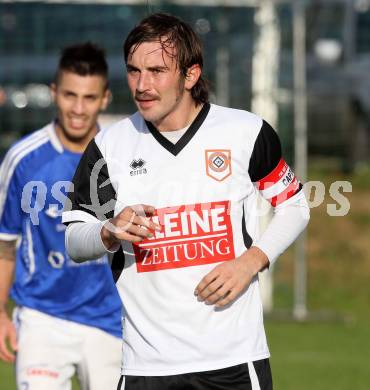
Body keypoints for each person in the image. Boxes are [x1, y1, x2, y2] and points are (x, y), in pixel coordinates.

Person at [63, 14, 310, 390]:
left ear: (190, 75)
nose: (142, 85)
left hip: (234, 362)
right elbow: (74, 242)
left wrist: (251, 262)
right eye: (133, 71)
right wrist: (109, 232)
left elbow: (295, 206)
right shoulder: (109, 147)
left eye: (157, 70)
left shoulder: (245, 132)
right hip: (147, 367)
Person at [0, 42, 122, 390]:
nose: (79, 109)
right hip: (42, 318)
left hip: (111, 319)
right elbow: (5, 244)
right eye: (70, 95)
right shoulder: (23, 159)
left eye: (89, 98)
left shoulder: (123, 158)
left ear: (105, 98)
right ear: (54, 93)